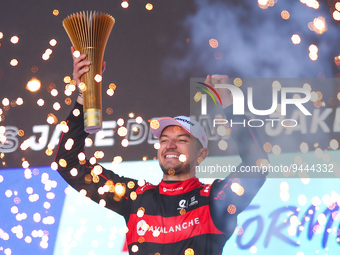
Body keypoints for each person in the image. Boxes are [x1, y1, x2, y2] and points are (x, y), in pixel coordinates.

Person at [55, 47, 268, 255]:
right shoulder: (135, 198)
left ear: (201, 155)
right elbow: (68, 163)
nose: (170, 145)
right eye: (164, 140)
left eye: (182, 139)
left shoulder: (216, 200)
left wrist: (230, 106)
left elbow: (256, 164)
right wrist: (85, 96)